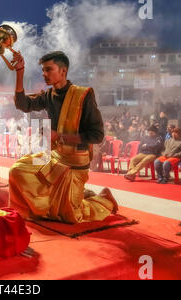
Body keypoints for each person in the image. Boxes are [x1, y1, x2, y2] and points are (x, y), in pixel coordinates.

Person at [8, 50, 118, 224]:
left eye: (48, 69)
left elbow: (97, 135)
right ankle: (81, 193)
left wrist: (60, 136)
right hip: (55, 157)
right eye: (43, 70)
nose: (44, 74)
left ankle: (104, 199)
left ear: (63, 71)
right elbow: (23, 104)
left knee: (70, 216)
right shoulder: (48, 95)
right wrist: (20, 72)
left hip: (75, 162)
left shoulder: (84, 95)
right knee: (17, 171)